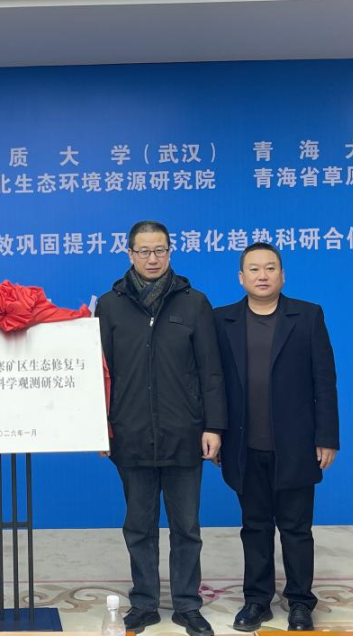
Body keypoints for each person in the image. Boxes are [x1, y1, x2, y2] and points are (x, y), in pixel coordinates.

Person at [94, 220, 227, 636]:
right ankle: (145, 603)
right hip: (130, 432)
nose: (152, 258)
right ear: (129, 254)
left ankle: (187, 605)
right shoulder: (109, 305)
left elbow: (211, 372)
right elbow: (99, 374)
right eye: (144, 251)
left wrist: (214, 426)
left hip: (184, 433)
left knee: (187, 528)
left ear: (170, 252)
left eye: (160, 250)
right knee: (139, 526)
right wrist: (98, 427)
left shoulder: (194, 303)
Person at [213, 242, 339, 632]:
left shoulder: (307, 315)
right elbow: (213, 383)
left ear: (283, 275)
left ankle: (300, 602)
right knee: (255, 527)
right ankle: (257, 601)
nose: (262, 275)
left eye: (270, 268)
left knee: (296, 529)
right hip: (244, 445)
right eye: (254, 269)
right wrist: (215, 431)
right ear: (241, 277)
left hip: (296, 445)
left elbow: (324, 380)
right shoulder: (222, 320)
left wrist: (327, 436)